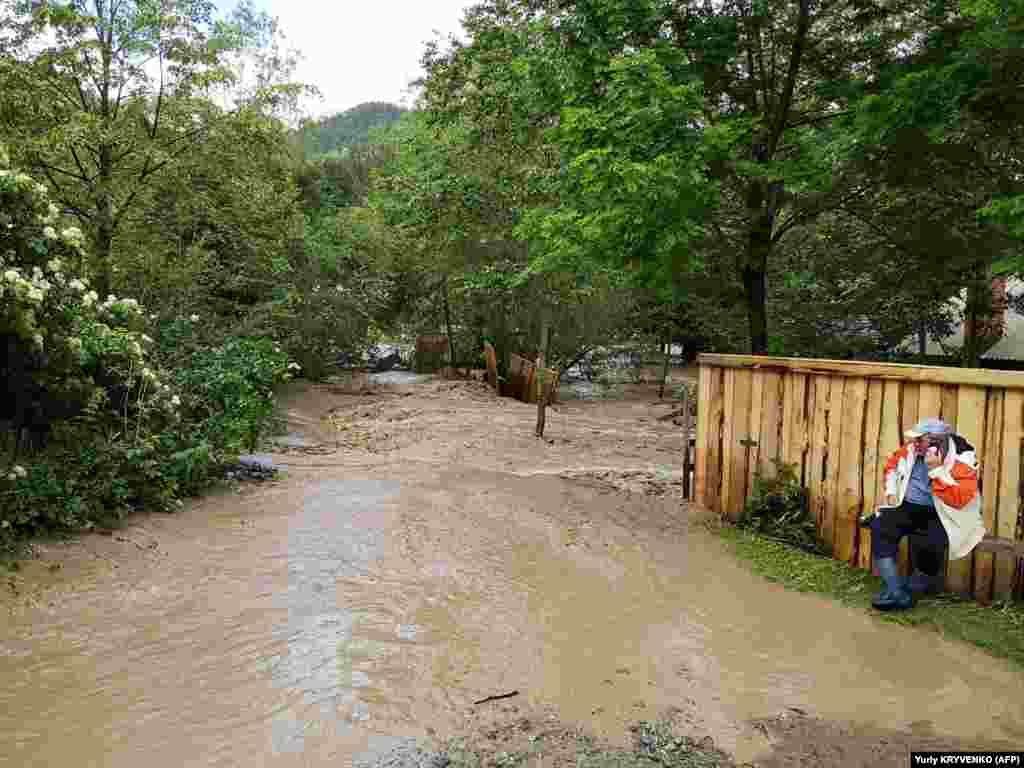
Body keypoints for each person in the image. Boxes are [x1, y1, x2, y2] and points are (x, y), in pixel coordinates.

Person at [871, 417, 986, 611]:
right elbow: (892, 465)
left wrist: (935, 470)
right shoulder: (911, 449)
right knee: (880, 527)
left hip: (940, 513)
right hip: (907, 506)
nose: (913, 444)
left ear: (935, 442)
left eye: (919, 440)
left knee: (931, 548)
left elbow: (960, 499)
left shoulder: (962, 458)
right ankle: (896, 591)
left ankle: (909, 592)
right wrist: (891, 493)